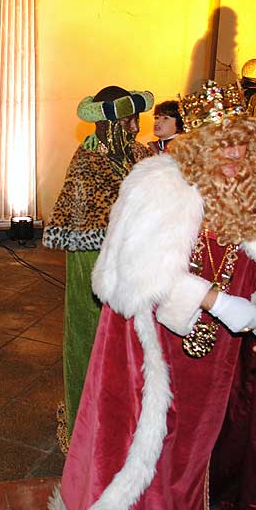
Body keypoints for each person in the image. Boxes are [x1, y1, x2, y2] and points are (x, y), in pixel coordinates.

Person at [50, 81, 256, 510]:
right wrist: (211, 299)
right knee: (148, 435)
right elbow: (129, 272)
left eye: (243, 143)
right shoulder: (157, 184)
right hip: (153, 340)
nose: (234, 155)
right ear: (201, 146)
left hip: (221, 348)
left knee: (196, 440)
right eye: (222, 143)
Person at [42, 86, 153, 444]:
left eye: (136, 120)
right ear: (107, 125)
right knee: (90, 339)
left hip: (135, 266)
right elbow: (87, 221)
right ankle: (85, 428)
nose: (136, 128)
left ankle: (123, 422)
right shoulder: (88, 161)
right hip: (94, 262)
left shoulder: (137, 152)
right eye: (128, 120)